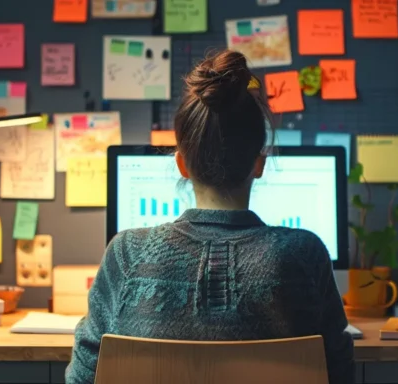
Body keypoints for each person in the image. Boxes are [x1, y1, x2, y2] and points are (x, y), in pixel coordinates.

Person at [66, 50, 354, 384]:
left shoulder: (126, 253)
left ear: (181, 165)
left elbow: (84, 377)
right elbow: (339, 374)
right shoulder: (306, 254)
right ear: (258, 165)